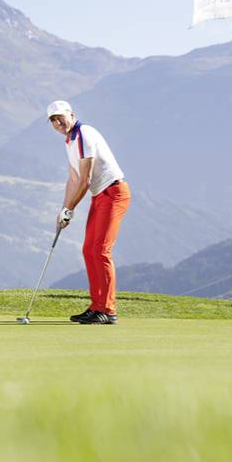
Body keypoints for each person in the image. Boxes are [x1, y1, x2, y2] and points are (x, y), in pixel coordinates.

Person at [46, 100, 131, 324]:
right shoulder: (69, 141)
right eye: (52, 120)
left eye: (60, 117)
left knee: (101, 251)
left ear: (71, 115)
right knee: (89, 250)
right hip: (100, 195)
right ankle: (97, 307)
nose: (57, 122)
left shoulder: (84, 133)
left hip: (114, 192)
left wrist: (71, 209)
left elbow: (86, 179)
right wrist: (63, 210)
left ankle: (108, 310)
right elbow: (73, 178)